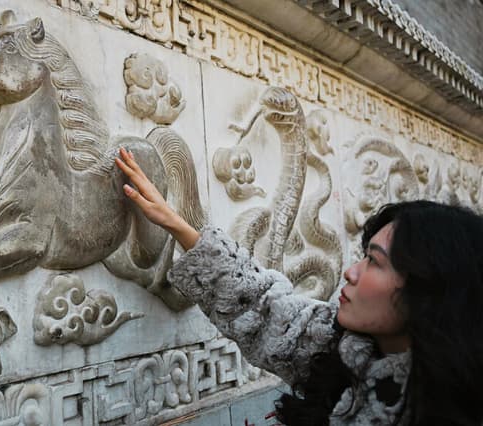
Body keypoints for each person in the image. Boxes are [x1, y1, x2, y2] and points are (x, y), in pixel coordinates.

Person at [115, 147, 483, 425]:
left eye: (374, 262)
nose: (351, 273)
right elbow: (262, 308)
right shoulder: (344, 349)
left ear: (428, 290)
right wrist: (178, 226)